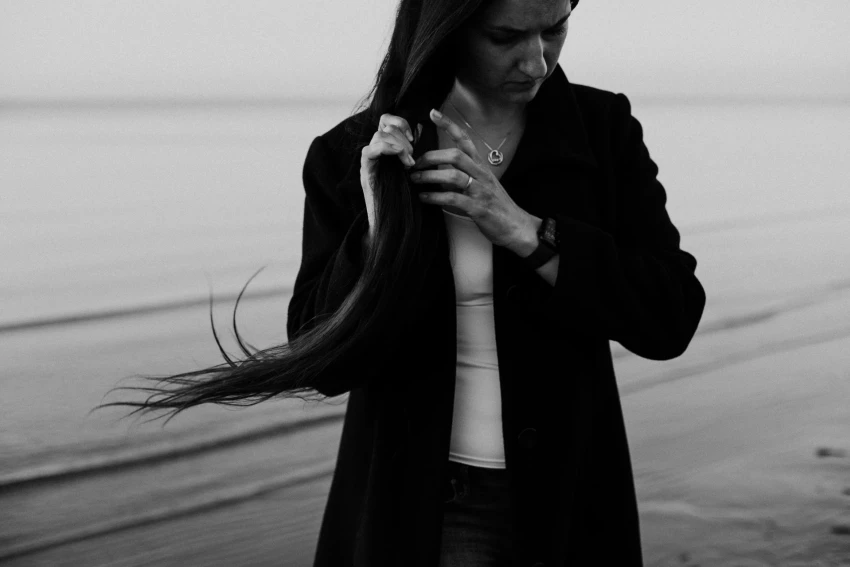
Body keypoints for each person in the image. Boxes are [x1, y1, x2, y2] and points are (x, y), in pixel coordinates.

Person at [95, 0, 706, 564]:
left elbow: (670, 317)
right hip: (424, 505)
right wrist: (377, 229)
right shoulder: (349, 153)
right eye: (505, 37)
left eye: (555, 28)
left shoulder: (603, 129)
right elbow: (322, 359)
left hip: (571, 498)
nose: (537, 61)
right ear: (445, 28)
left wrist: (525, 231)